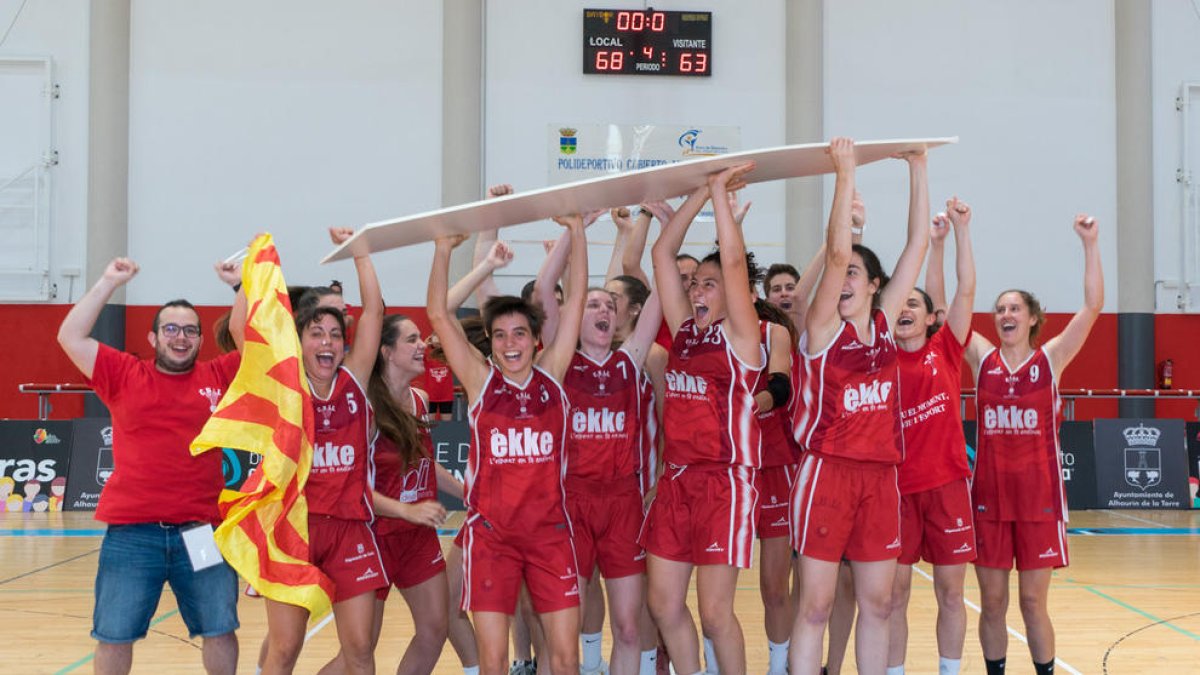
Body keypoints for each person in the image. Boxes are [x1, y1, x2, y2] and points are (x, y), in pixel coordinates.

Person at [57, 257, 242, 675]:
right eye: (171, 329)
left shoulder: (220, 375)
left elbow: (258, 344)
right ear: (154, 337)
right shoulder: (123, 373)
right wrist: (108, 282)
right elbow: (70, 336)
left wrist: (240, 288)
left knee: (220, 627)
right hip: (132, 536)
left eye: (190, 330)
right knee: (114, 635)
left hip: (202, 532)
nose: (181, 337)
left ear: (200, 338)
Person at [789, 139, 930, 675]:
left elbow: (917, 244)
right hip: (827, 474)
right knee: (818, 605)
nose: (844, 279)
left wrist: (918, 168)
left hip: (881, 479)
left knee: (879, 603)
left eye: (854, 274)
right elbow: (835, 251)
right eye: (840, 272)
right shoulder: (822, 328)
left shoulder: (883, 327)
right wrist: (844, 175)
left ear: (876, 286)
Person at [425, 212, 589, 675]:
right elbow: (438, 313)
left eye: (519, 333)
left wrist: (577, 231)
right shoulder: (480, 382)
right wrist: (443, 250)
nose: (510, 343)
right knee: (494, 660)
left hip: (550, 537)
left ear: (537, 340)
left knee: (565, 658)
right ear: (491, 343)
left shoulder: (553, 375)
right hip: (492, 539)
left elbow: (575, 300)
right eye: (500, 336)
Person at [965, 214, 1103, 675]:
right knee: (992, 601)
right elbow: (949, 311)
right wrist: (958, 235)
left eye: (1014, 309)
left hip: (1039, 500)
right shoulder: (982, 358)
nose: (1006, 314)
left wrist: (1089, 243)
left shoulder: (1052, 359)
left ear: (1031, 319)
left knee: (1030, 601)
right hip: (988, 499)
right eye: (1000, 309)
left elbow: (1093, 306)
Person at [643, 163, 764, 675]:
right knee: (664, 605)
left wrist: (717, 192)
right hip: (676, 482)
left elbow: (733, 261)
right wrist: (696, 192)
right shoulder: (684, 333)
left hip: (724, 483)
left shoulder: (742, 336)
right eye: (695, 284)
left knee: (715, 614)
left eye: (709, 285)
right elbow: (661, 254)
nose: (698, 290)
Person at [252, 228, 385, 675]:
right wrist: (252, 276)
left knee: (361, 649)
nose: (327, 342)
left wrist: (361, 253)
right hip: (295, 529)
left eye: (334, 334)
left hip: (349, 529)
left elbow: (374, 315)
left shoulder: (355, 381)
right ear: (299, 342)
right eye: (316, 333)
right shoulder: (284, 389)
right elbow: (243, 330)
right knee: (285, 648)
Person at [887, 198, 977, 675]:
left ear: (928, 319)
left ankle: (949, 670)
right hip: (896, 492)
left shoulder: (945, 349)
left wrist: (959, 232)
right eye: (899, 302)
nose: (904, 309)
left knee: (950, 592)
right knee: (894, 595)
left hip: (946, 488)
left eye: (914, 304)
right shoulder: (877, 358)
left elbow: (964, 292)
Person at [562, 278, 663, 675]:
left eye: (609, 305)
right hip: (573, 502)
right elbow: (546, 304)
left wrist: (666, 223)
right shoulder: (561, 364)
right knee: (567, 625)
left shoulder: (631, 360)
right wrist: (575, 232)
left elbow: (659, 299)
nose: (603, 310)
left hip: (623, 503)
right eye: (592, 305)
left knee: (628, 625)